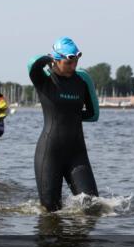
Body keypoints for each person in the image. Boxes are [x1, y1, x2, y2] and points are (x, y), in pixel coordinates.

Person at [27, 37, 101, 212]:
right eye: (69, 62)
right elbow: (32, 63)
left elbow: (93, 114)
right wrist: (47, 59)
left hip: (77, 153)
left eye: (76, 61)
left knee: (92, 207)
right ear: (56, 60)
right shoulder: (43, 79)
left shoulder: (82, 80)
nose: (73, 66)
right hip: (49, 153)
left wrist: (70, 116)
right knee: (50, 212)